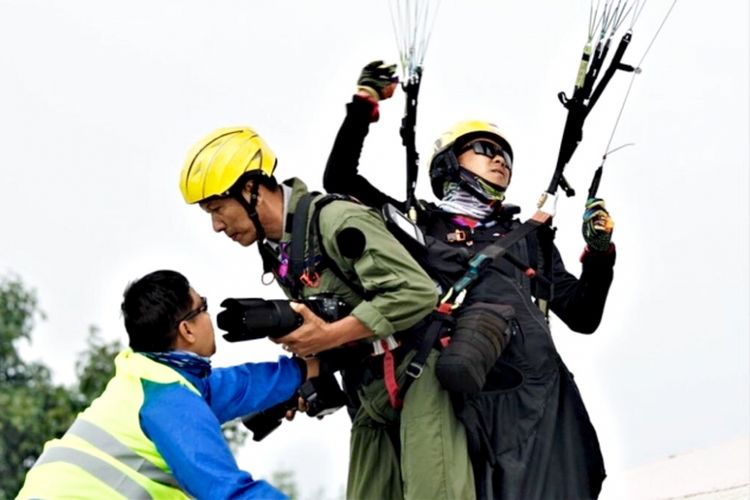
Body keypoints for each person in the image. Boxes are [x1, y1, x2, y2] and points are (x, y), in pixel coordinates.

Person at [322, 61, 617, 499]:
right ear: (449, 162)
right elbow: (340, 180)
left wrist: (599, 255)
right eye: (483, 148)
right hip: (466, 395)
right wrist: (364, 105)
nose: (499, 159)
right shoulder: (419, 226)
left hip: (538, 399)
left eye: (506, 155)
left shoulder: (528, 239)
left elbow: (582, 314)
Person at [178, 127, 476, 500]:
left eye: (218, 209)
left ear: (251, 189)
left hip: (418, 371)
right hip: (367, 387)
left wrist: (327, 336)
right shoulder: (281, 250)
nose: (217, 226)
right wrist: (306, 376)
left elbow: (416, 293)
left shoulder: (335, 220)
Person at [17, 269, 314, 499]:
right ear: (186, 329)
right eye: (204, 306)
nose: (211, 316)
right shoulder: (167, 401)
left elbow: (236, 387)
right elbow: (227, 491)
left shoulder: (148, 377)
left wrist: (308, 366)